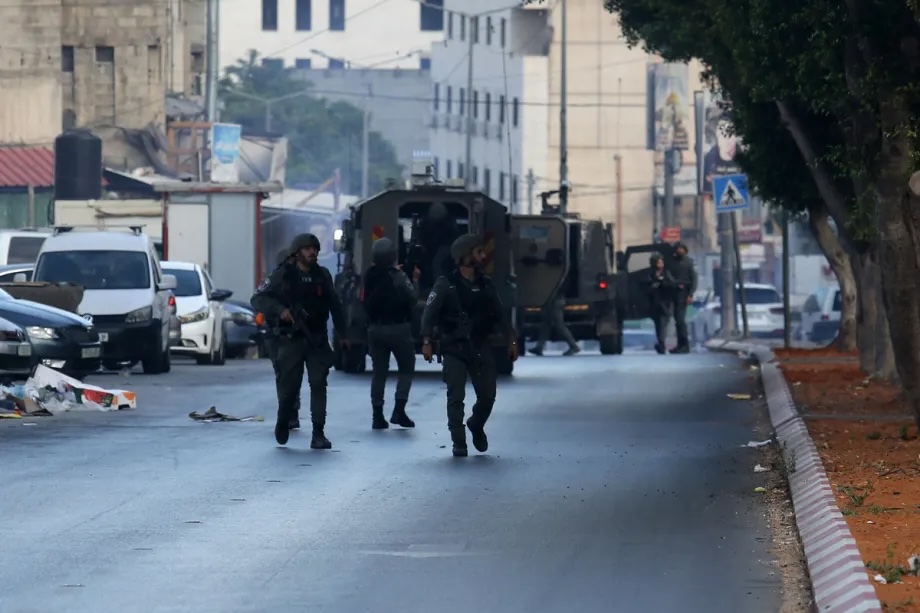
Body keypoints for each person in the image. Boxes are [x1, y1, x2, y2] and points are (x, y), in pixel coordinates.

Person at [420, 233, 518, 457]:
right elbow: (429, 315)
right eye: (478, 252)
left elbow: (501, 314)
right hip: (454, 347)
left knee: (487, 395)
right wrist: (426, 340)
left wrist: (511, 340)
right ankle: (459, 441)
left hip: (480, 346)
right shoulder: (446, 284)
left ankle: (475, 424)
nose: (483, 256)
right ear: (465, 256)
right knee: (456, 396)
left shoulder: (486, 284)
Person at [251, 233, 347, 448]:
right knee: (289, 388)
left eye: (314, 248)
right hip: (291, 340)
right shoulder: (283, 275)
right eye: (306, 249)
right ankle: (284, 419)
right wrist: (281, 310)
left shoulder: (322, 275)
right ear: (297, 252)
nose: (311, 252)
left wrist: (344, 334)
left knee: (318, 384)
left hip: (316, 339)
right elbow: (258, 298)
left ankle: (318, 433)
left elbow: (335, 306)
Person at [363, 237, 419, 430]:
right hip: (398, 329)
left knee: (379, 371)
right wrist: (415, 279)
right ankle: (399, 410)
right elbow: (412, 298)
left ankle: (377, 415)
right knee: (406, 367)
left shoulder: (369, 275)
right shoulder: (399, 276)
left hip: (375, 329)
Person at [528, 289, 580, 357]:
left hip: (554, 302)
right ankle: (539, 347)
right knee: (545, 325)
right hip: (552, 301)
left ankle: (574, 346)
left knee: (559, 325)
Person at [669, 243, 697, 354]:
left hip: (684, 292)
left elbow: (694, 280)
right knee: (677, 320)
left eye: (681, 249)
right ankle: (680, 345)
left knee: (680, 320)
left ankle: (684, 345)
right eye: (677, 249)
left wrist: (690, 294)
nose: (679, 251)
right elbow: (669, 275)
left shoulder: (689, 263)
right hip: (674, 292)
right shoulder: (672, 262)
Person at [644, 253, 675, 354]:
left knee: (663, 324)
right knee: (659, 325)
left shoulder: (666, 273)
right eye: (658, 262)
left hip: (665, 303)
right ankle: (660, 342)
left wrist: (662, 282)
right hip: (655, 303)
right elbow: (646, 287)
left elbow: (671, 284)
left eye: (661, 262)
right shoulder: (650, 274)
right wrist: (653, 285)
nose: (660, 264)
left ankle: (661, 343)